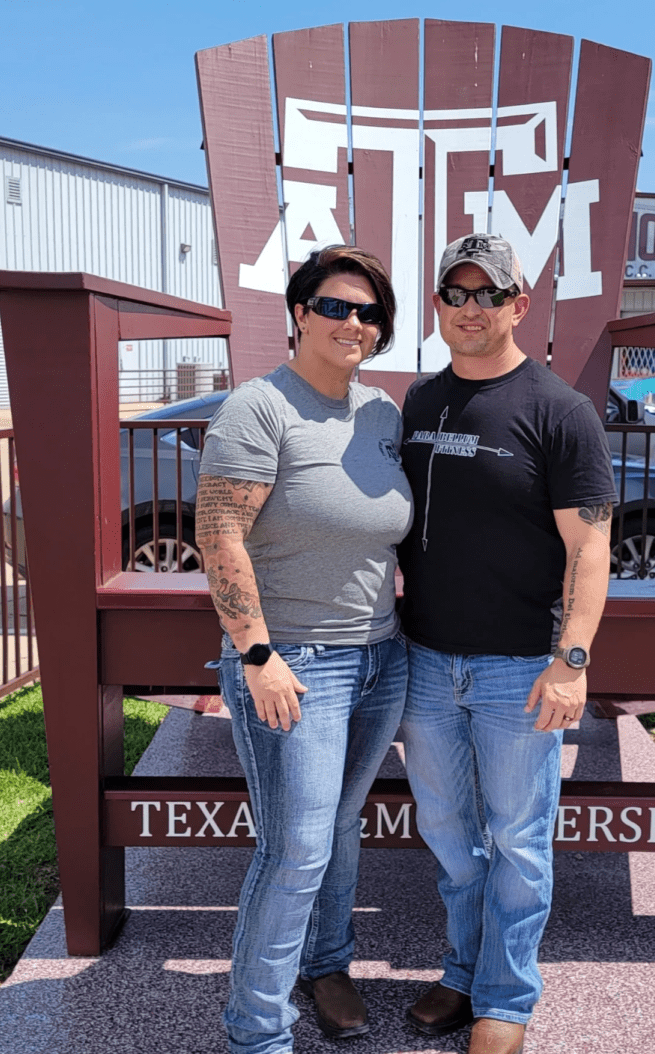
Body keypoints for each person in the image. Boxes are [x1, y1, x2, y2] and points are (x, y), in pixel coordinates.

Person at [397, 234, 616, 1054]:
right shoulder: (419, 402)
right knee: (450, 834)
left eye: (487, 294)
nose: (470, 309)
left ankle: (506, 1000)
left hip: (519, 667)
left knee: (519, 841)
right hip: (423, 661)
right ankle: (462, 973)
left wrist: (571, 659)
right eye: (454, 294)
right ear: (439, 308)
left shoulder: (558, 410)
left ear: (518, 306)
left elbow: (589, 548)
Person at [195, 245, 413, 1054]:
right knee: (292, 851)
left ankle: (326, 966)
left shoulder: (381, 413)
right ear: (298, 313)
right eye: (333, 306)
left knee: (342, 827)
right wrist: (255, 655)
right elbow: (218, 531)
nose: (352, 322)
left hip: (379, 657)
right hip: (292, 663)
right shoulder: (259, 408)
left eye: (367, 312)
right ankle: (256, 1032)